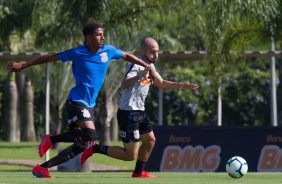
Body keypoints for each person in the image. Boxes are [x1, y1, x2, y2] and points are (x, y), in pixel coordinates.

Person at [9, 22, 156, 178]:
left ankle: (43, 168)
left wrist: (146, 65)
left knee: (82, 144)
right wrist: (24, 64)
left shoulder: (108, 50)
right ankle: (51, 139)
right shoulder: (78, 52)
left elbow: (126, 55)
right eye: (98, 34)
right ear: (88, 37)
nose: (102, 37)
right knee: (90, 135)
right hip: (76, 101)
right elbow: (51, 56)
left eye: (102, 34)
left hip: (89, 105)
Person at [80, 37, 199, 178]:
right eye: (152, 52)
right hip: (128, 113)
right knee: (130, 155)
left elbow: (161, 83)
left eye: (157, 52)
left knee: (150, 141)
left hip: (140, 112)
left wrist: (182, 85)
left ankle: (138, 172)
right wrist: (140, 75)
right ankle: (95, 148)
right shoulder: (135, 65)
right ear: (142, 51)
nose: (156, 55)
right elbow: (124, 84)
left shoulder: (151, 66)